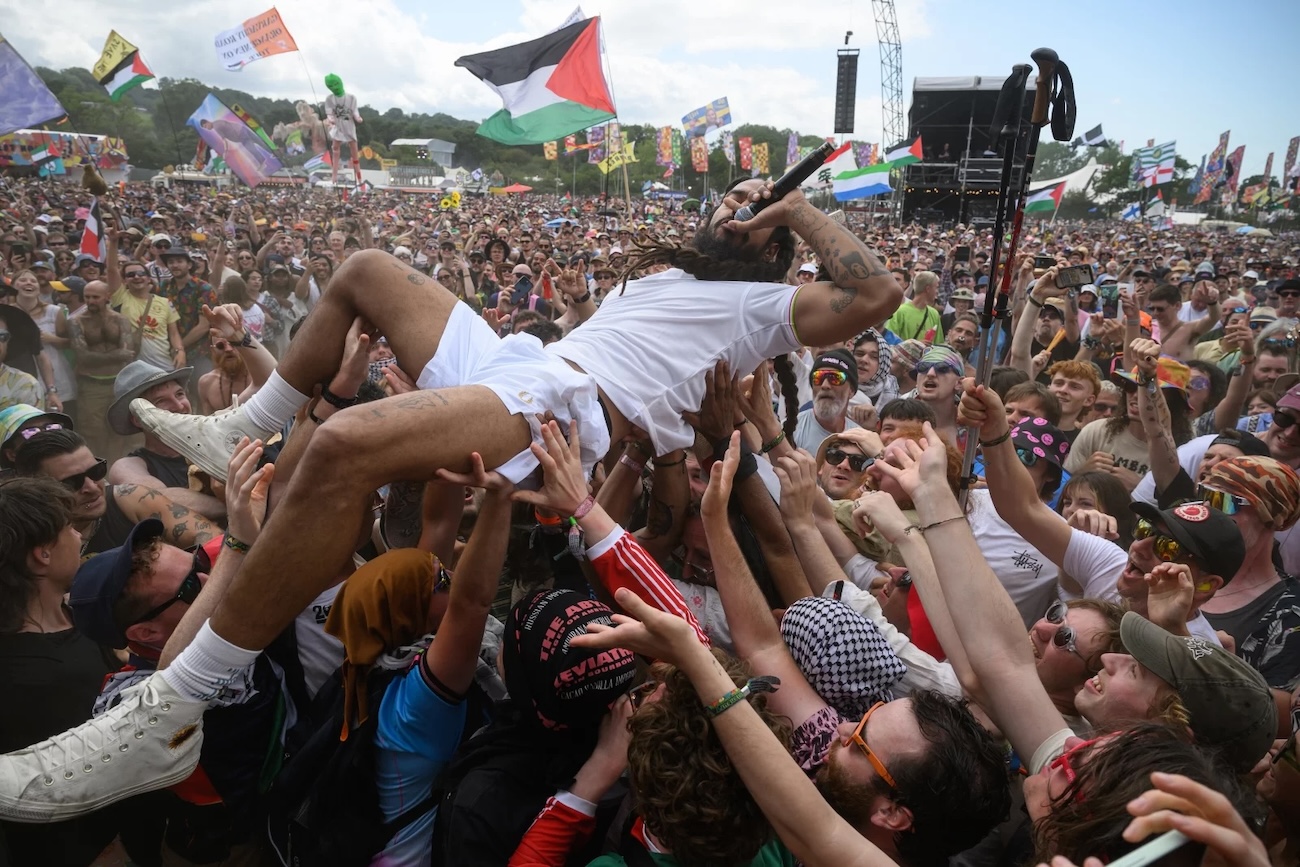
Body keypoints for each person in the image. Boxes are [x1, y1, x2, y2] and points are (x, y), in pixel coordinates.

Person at [0, 178, 904, 819]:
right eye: (732, 202)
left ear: (775, 248)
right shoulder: (666, 275)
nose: (734, 210)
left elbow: (879, 290)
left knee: (351, 442)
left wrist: (794, 211)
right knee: (363, 270)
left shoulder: (757, 306)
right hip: (520, 365)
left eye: (752, 213)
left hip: (558, 410)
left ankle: (176, 706)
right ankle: (248, 420)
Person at [0, 477, 120, 865]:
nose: (77, 534)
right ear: (43, 555)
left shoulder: (76, 616)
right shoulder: (38, 676)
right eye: (68, 527)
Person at [13, 428, 218, 557]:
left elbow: (213, 539)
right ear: (37, 491)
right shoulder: (22, 538)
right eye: (71, 483)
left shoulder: (131, 499)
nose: (92, 487)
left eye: (96, 471)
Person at [67, 280, 137, 462]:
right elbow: (82, 356)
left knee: (119, 429)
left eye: (95, 297)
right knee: (92, 431)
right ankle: (97, 467)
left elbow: (128, 353)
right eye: (87, 297)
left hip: (118, 383)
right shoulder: (77, 321)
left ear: (107, 297)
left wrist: (105, 355)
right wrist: (117, 354)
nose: (90, 301)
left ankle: (114, 467)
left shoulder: (120, 319)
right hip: (91, 384)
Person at [794, 349, 861, 452]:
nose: (825, 385)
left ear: (851, 391)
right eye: (818, 378)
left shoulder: (860, 439)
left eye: (835, 378)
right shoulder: (792, 430)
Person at [886, 271, 943, 344]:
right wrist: (913, 345)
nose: (937, 291)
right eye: (936, 287)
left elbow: (939, 344)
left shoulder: (934, 313)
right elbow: (889, 342)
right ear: (928, 289)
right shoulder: (900, 312)